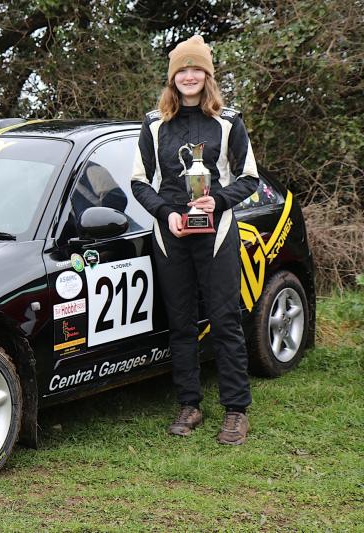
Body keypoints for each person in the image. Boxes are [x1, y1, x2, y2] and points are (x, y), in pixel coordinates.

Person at [130, 35, 260, 445]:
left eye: (196, 69)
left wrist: (216, 201)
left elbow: (250, 178)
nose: (189, 76)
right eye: (182, 70)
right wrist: (165, 213)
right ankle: (190, 404)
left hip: (217, 233)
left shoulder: (229, 121)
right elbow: (139, 182)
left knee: (225, 320)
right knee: (181, 323)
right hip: (171, 234)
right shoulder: (154, 124)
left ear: (207, 75)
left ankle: (236, 410)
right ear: (172, 77)